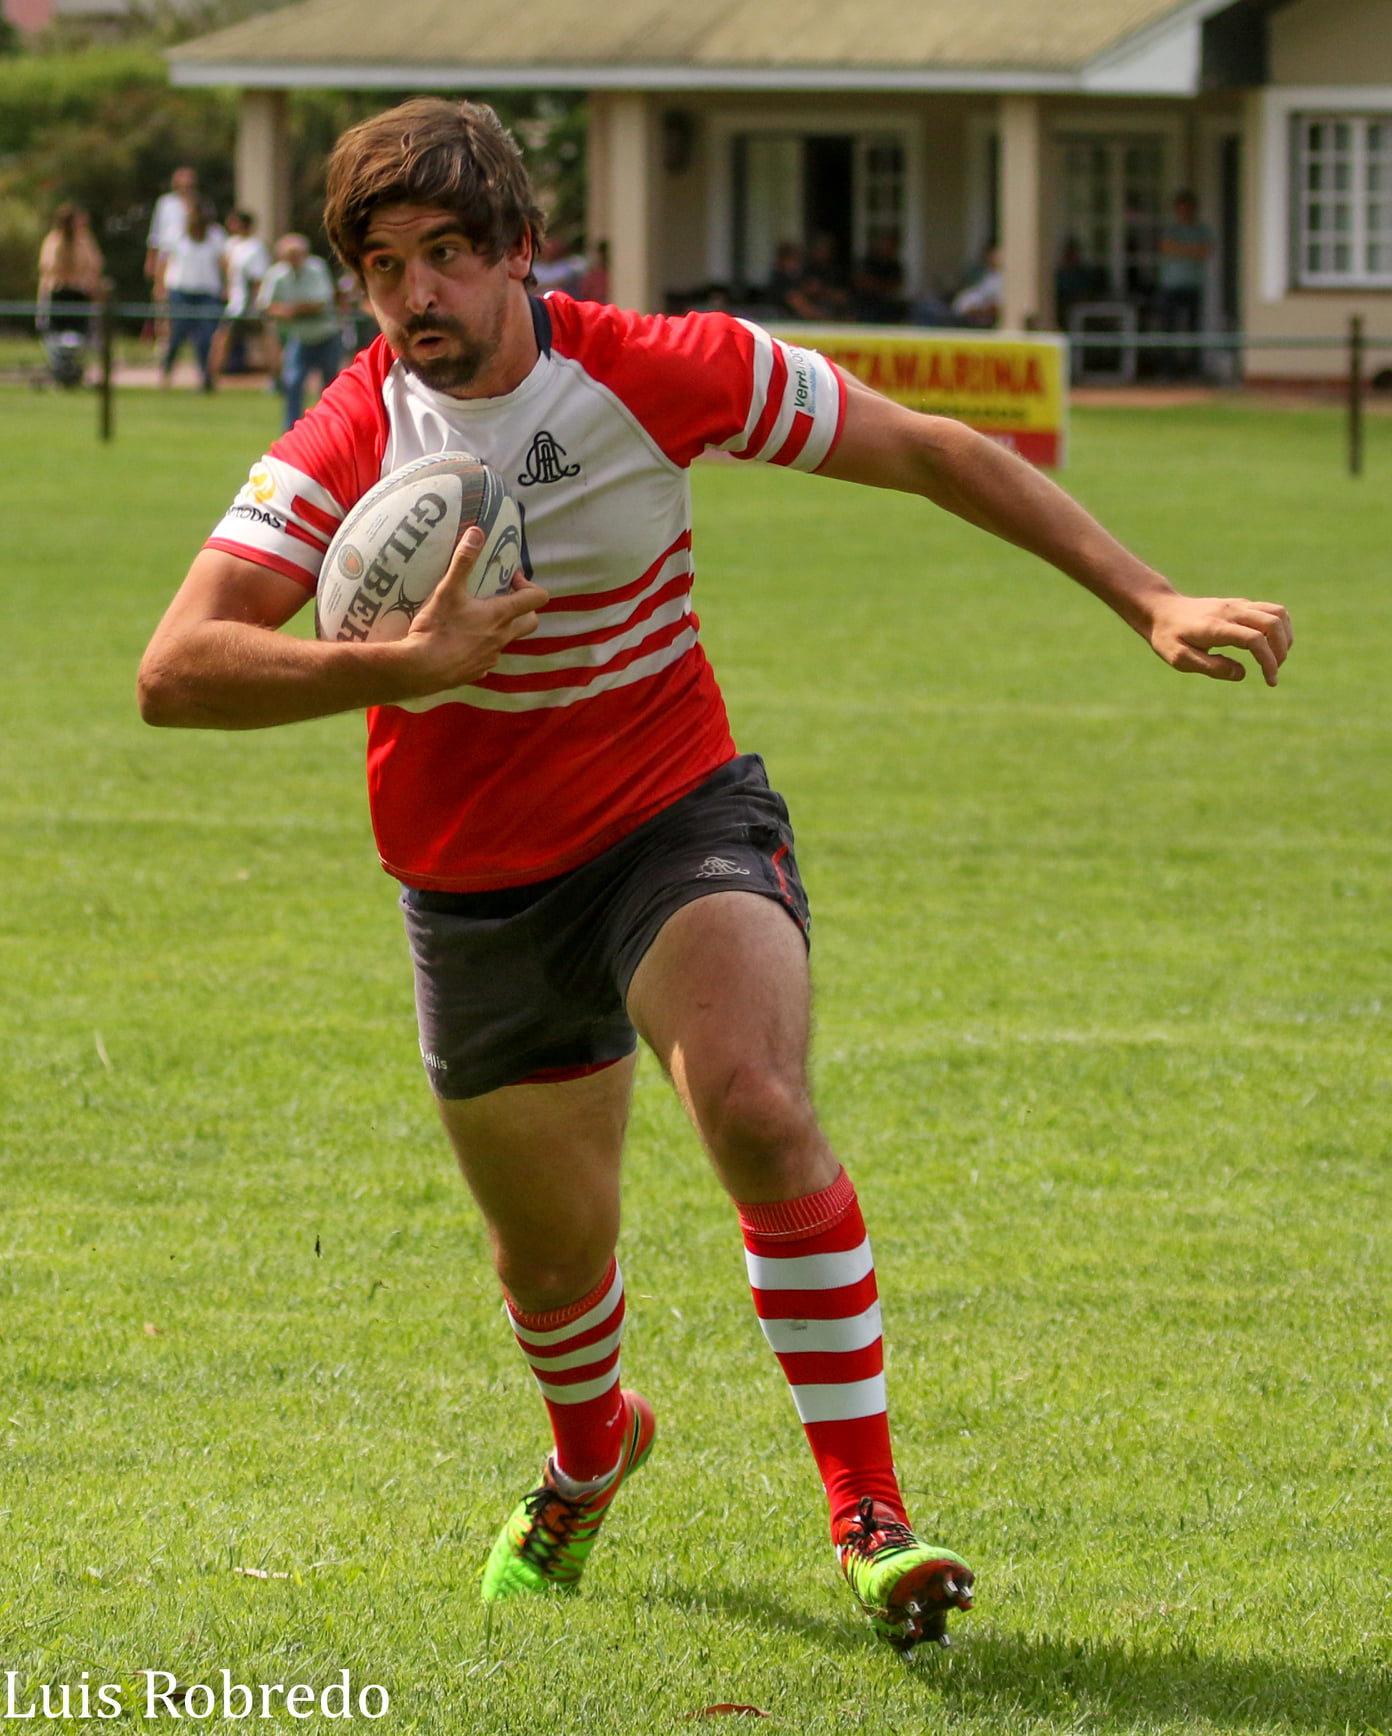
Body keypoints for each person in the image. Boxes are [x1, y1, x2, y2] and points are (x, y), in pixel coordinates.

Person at [137, 98, 1293, 1655]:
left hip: (673, 819)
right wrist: (404, 667)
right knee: (551, 1260)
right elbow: (175, 668)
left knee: (752, 1101)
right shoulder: (351, 434)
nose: (419, 298)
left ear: (521, 254)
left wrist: (1148, 596)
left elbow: (934, 449)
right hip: (473, 883)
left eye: (451, 257)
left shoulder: (661, 367)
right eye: (387, 267)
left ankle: (870, 1515)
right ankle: (590, 1449)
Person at [258, 232, 341, 429]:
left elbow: (320, 302)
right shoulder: (276, 275)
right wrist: (289, 310)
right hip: (300, 338)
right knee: (293, 384)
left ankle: (329, 430)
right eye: (289, 254)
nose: (294, 258)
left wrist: (290, 310)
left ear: (305, 253)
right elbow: (265, 305)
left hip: (326, 336)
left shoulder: (317, 268)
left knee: (330, 389)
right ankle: (291, 430)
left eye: (297, 253)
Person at [36, 203, 105, 387]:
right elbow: (48, 267)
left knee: (86, 334)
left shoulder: (85, 241)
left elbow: (95, 265)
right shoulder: (53, 241)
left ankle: (77, 372)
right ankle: (61, 371)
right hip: (59, 296)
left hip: (81, 297)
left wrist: (87, 284)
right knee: (54, 334)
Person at [161, 202, 227, 393]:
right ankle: (167, 373)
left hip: (207, 293)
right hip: (181, 291)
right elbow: (164, 261)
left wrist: (227, 287)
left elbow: (224, 263)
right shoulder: (176, 235)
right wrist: (160, 288)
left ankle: (206, 380)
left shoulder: (215, 235)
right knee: (177, 336)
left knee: (206, 338)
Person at [211, 210, 272, 379]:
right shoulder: (231, 244)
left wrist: (256, 304)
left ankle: (278, 379)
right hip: (235, 303)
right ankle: (210, 380)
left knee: (265, 342)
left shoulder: (255, 248)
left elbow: (258, 279)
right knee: (222, 339)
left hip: (249, 304)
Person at [1157, 191, 1211, 378]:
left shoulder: (1200, 230)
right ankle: (1167, 370)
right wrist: (1190, 249)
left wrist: (1179, 248)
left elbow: (1204, 252)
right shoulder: (1170, 229)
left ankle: (1192, 370)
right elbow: (1165, 248)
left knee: (1193, 330)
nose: (1184, 212)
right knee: (1168, 329)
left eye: (1187, 209)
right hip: (1170, 286)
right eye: (1180, 209)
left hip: (1192, 286)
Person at [145, 166, 198, 300]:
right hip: (166, 255)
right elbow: (155, 234)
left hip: (191, 257)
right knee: (161, 297)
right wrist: (151, 260)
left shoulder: (201, 203)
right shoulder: (165, 203)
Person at [852, 230, 906, 323]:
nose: (886, 247)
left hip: (887, 305)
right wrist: (882, 286)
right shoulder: (868, 261)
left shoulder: (894, 265)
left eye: (890, 245)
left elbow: (896, 285)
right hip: (865, 304)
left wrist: (877, 285)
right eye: (884, 243)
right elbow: (861, 281)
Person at [951, 246, 1004, 328]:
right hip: (966, 312)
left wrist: (983, 310)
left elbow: (997, 303)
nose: (993, 257)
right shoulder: (983, 273)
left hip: (985, 315)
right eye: (992, 255)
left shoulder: (1003, 279)